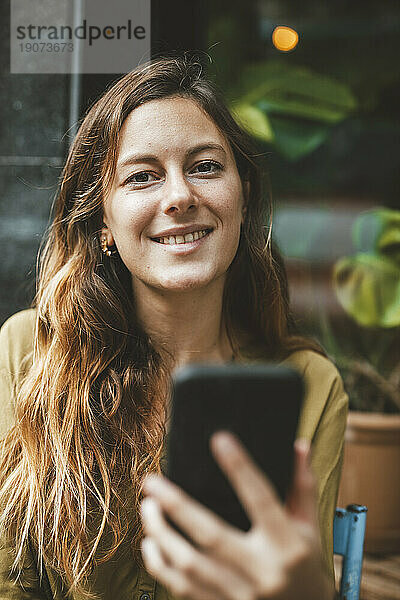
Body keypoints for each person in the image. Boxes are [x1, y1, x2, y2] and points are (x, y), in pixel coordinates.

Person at [0, 55, 347, 599]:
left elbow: (306, 585)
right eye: (142, 177)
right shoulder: (29, 351)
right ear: (103, 224)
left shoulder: (309, 383)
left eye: (206, 166)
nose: (180, 196)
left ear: (244, 195)